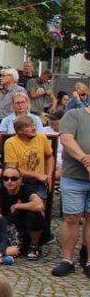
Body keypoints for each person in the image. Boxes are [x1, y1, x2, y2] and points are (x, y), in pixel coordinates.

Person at [52, 96, 90, 276]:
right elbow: (67, 140)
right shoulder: (74, 115)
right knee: (71, 218)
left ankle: (89, 261)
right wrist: (85, 160)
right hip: (74, 176)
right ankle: (67, 260)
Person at [0, 165, 47, 259]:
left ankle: (34, 246)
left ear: (20, 180)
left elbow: (40, 205)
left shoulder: (27, 191)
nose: (9, 182)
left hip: (28, 229)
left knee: (34, 214)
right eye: (6, 178)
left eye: (13, 178)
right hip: (10, 230)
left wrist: (18, 206)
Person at [4, 114, 54, 200]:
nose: (33, 128)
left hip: (39, 182)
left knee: (39, 206)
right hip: (20, 181)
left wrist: (49, 175)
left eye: (33, 125)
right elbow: (12, 169)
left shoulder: (41, 137)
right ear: (19, 131)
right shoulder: (10, 143)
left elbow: (49, 157)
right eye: (29, 127)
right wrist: (37, 175)